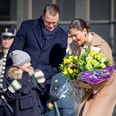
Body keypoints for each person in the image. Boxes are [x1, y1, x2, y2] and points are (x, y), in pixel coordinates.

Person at [7, 3, 68, 114]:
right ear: (43, 16)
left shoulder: (62, 35)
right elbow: (14, 52)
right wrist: (12, 76)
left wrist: (38, 74)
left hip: (45, 85)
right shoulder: (27, 26)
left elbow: (58, 64)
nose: (51, 26)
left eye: (54, 23)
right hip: (22, 84)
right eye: (48, 22)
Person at [68, 18, 116, 116]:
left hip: (104, 89)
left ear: (84, 31)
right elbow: (76, 67)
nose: (73, 39)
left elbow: (108, 72)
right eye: (71, 36)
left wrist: (88, 79)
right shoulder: (78, 47)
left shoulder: (101, 45)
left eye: (75, 35)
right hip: (89, 89)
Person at [4, 50, 45, 116]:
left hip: (36, 110)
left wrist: (41, 83)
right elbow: (9, 97)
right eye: (27, 62)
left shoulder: (33, 75)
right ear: (19, 64)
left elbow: (42, 92)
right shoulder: (13, 77)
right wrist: (13, 88)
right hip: (22, 112)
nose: (30, 64)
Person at [0, 28, 15, 116]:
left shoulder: (16, 55)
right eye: (4, 38)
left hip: (9, 97)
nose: (6, 41)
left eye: (9, 39)